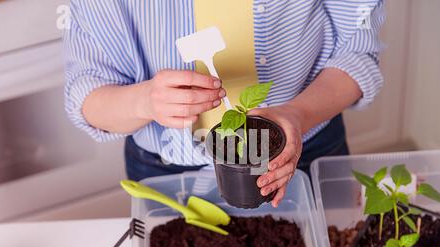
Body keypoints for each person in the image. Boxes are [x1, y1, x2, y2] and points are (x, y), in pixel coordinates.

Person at [64, 0, 384, 208]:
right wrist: (145, 101)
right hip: (165, 168)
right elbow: (88, 95)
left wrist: (297, 114)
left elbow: (357, 51)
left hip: (306, 149)